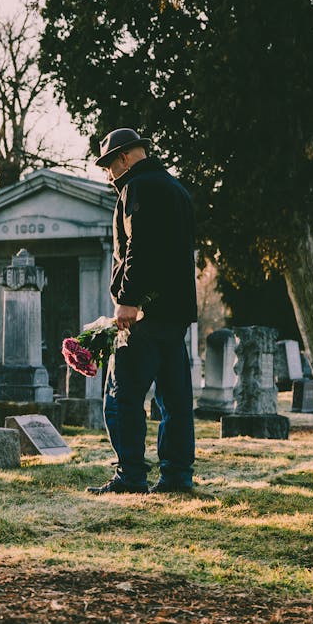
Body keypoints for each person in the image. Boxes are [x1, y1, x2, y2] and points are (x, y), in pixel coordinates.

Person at [86, 128, 198, 495]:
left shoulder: (138, 188)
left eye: (108, 165)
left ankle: (131, 475)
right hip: (176, 311)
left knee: (122, 396)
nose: (108, 175)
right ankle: (177, 477)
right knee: (174, 399)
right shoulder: (176, 189)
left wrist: (128, 300)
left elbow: (140, 247)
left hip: (144, 311)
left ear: (123, 158)